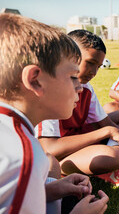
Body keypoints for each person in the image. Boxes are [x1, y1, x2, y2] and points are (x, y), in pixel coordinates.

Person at [0, 13, 108, 213]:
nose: (79, 87)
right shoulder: (22, 157)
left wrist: (50, 190)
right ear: (35, 80)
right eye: (73, 76)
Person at [36, 29, 119, 186]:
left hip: (80, 137)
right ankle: (63, 169)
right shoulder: (50, 90)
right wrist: (106, 133)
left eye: (99, 66)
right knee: (117, 156)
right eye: (90, 63)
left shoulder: (86, 87)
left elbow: (106, 123)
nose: (94, 72)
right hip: (57, 155)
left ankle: (108, 154)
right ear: (67, 56)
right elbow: (50, 148)